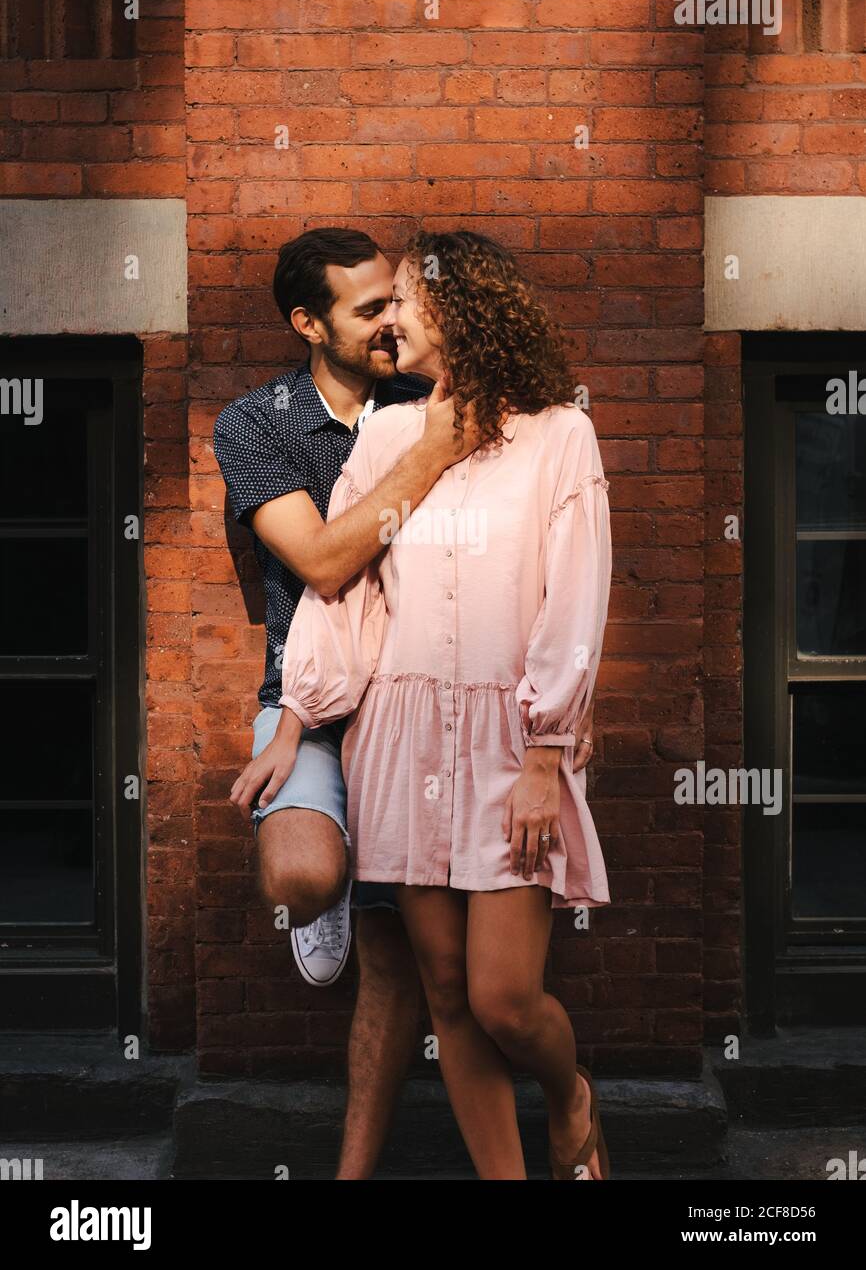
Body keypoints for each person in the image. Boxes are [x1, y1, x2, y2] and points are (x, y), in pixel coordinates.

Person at [275, 230, 613, 1180]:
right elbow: (350, 591)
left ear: (463, 315)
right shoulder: (388, 433)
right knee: (449, 994)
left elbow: (577, 599)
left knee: (507, 998)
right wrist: (300, 713)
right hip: (405, 738)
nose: (392, 322)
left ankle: (570, 1095)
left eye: (408, 303)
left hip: (514, 744)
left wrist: (547, 752)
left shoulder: (560, 434)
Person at [213, 227, 481, 1180]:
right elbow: (323, 562)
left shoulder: (433, 398)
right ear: (307, 323)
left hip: (414, 703)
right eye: (367, 310)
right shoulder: (255, 425)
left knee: (397, 962)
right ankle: (336, 877)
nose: (389, 323)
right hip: (312, 697)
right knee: (303, 875)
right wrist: (428, 458)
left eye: (393, 303)